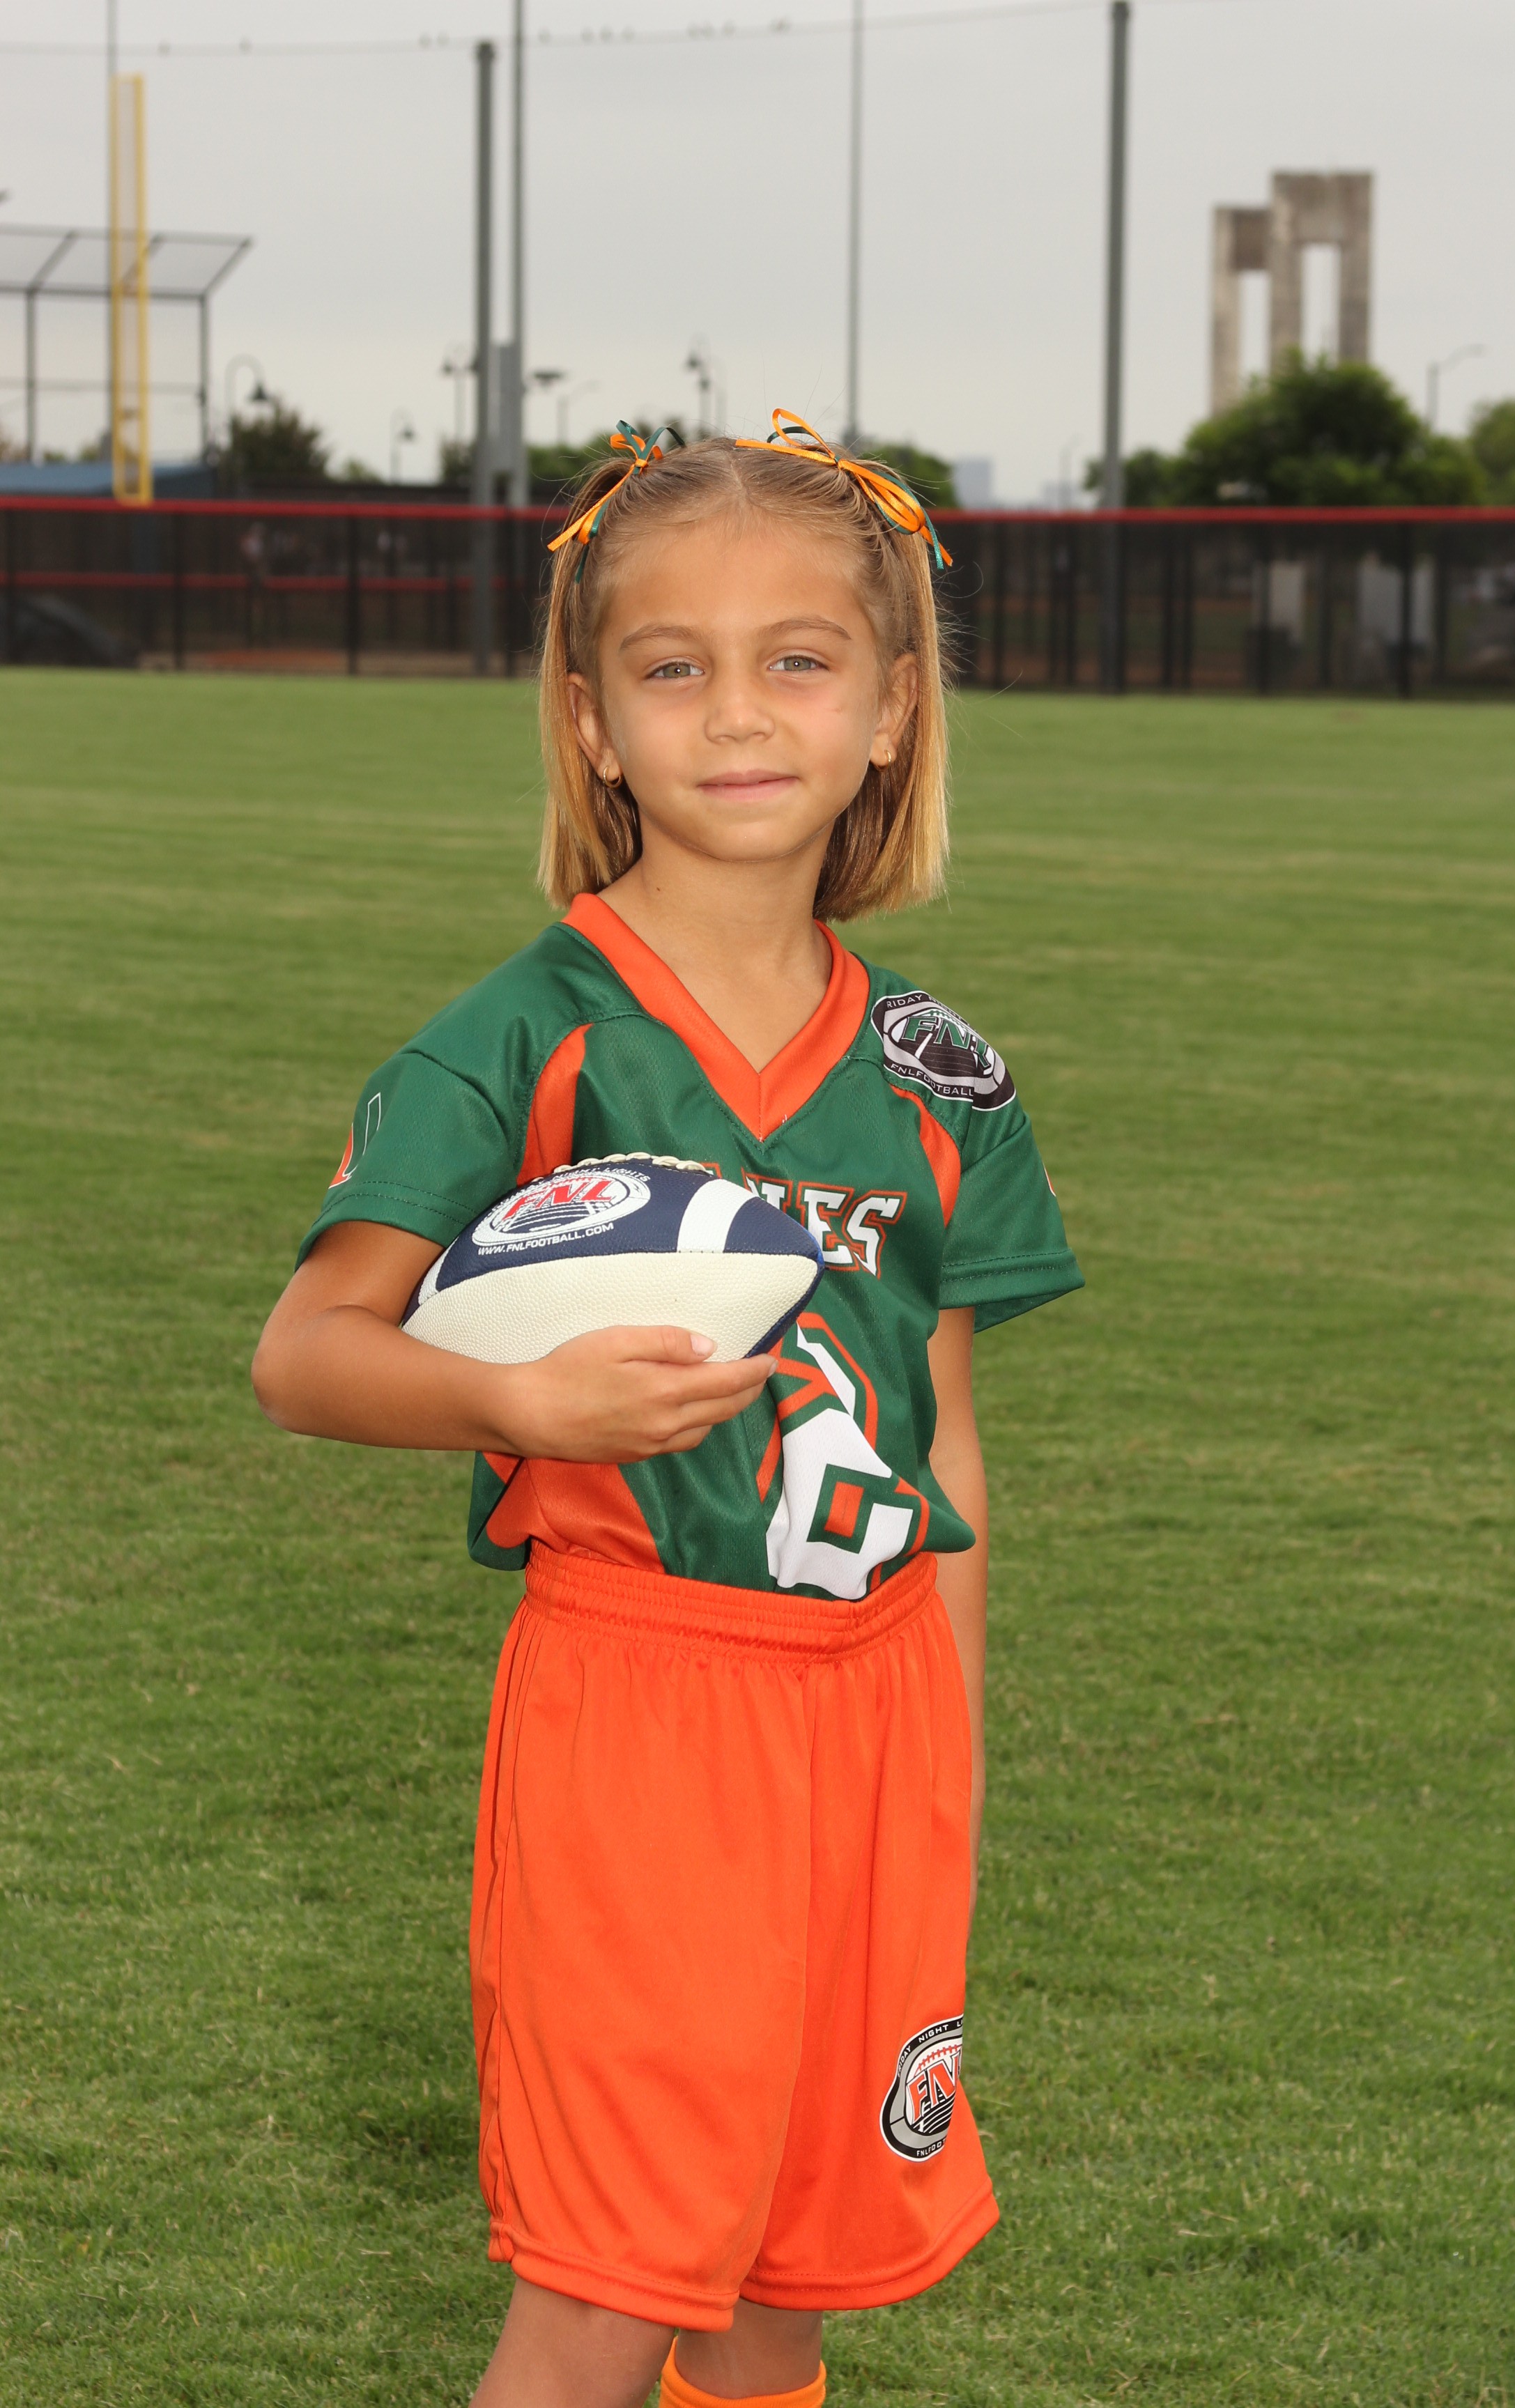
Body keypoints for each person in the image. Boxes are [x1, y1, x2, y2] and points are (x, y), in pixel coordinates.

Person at [252, 414, 1082, 2408]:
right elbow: (307, 1351)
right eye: (672, 665)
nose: (738, 712)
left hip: (879, 1712)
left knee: (787, 2282)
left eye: (799, 659)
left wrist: (950, 1765)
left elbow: (945, 1447)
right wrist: (519, 1396)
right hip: (643, 1704)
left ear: (893, 708)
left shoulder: (939, 1077)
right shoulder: (523, 1039)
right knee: (615, 2285)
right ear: (593, 724)